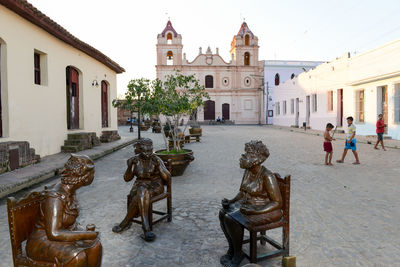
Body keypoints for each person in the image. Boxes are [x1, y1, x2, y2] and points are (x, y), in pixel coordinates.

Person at [26, 154, 102, 267]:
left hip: (63, 234)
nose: (93, 176)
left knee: (95, 246)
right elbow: (54, 233)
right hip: (42, 240)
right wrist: (86, 234)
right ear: (85, 177)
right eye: (92, 173)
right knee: (77, 257)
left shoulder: (70, 190)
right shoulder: (55, 197)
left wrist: (85, 234)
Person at [219, 141, 282, 267]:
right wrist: (231, 201)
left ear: (256, 159)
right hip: (248, 206)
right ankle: (233, 249)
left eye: (247, 154)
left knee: (231, 219)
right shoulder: (248, 171)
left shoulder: (267, 176)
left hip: (266, 209)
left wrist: (255, 211)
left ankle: (238, 254)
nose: (243, 156)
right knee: (222, 213)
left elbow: (277, 202)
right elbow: (242, 192)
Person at [112, 138, 171, 242]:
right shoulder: (135, 160)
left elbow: (167, 178)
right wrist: (129, 166)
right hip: (139, 186)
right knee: (141, 192)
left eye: (150, 150)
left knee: (141, 193)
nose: (148, 154)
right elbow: (127, 178)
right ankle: (144, 228)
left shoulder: (156, 159)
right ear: (139, 149)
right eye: (145, 151)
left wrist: (159, 166)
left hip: (155, 185)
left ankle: (130, 224)